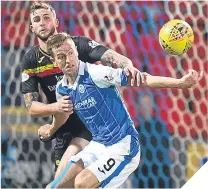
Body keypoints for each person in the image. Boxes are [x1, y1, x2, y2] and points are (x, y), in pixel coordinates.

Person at [38, 32, 202, 188]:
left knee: (82, 183)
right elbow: (62, 115)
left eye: (71, 53)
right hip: (99, 144)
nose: (68, 60)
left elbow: (142, 80)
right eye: (61, 57)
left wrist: (180, 83)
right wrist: (52, 128)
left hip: (123, 145)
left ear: (76, 51)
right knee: (55, 187)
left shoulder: (96, 74)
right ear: (54, 61)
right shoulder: (62, 89)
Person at [21, 1, 142, 180]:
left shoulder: (78, 45)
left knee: (71, 181)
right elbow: (31, 107)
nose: (42, 23)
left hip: (92, 125)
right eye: (37, 20)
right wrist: (56, 108)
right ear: (32, 27)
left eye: (47, 18)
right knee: (61, 183)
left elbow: (112, 56)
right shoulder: (31, 60)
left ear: (56, 22)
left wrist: (129, 65)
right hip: (64, 126)